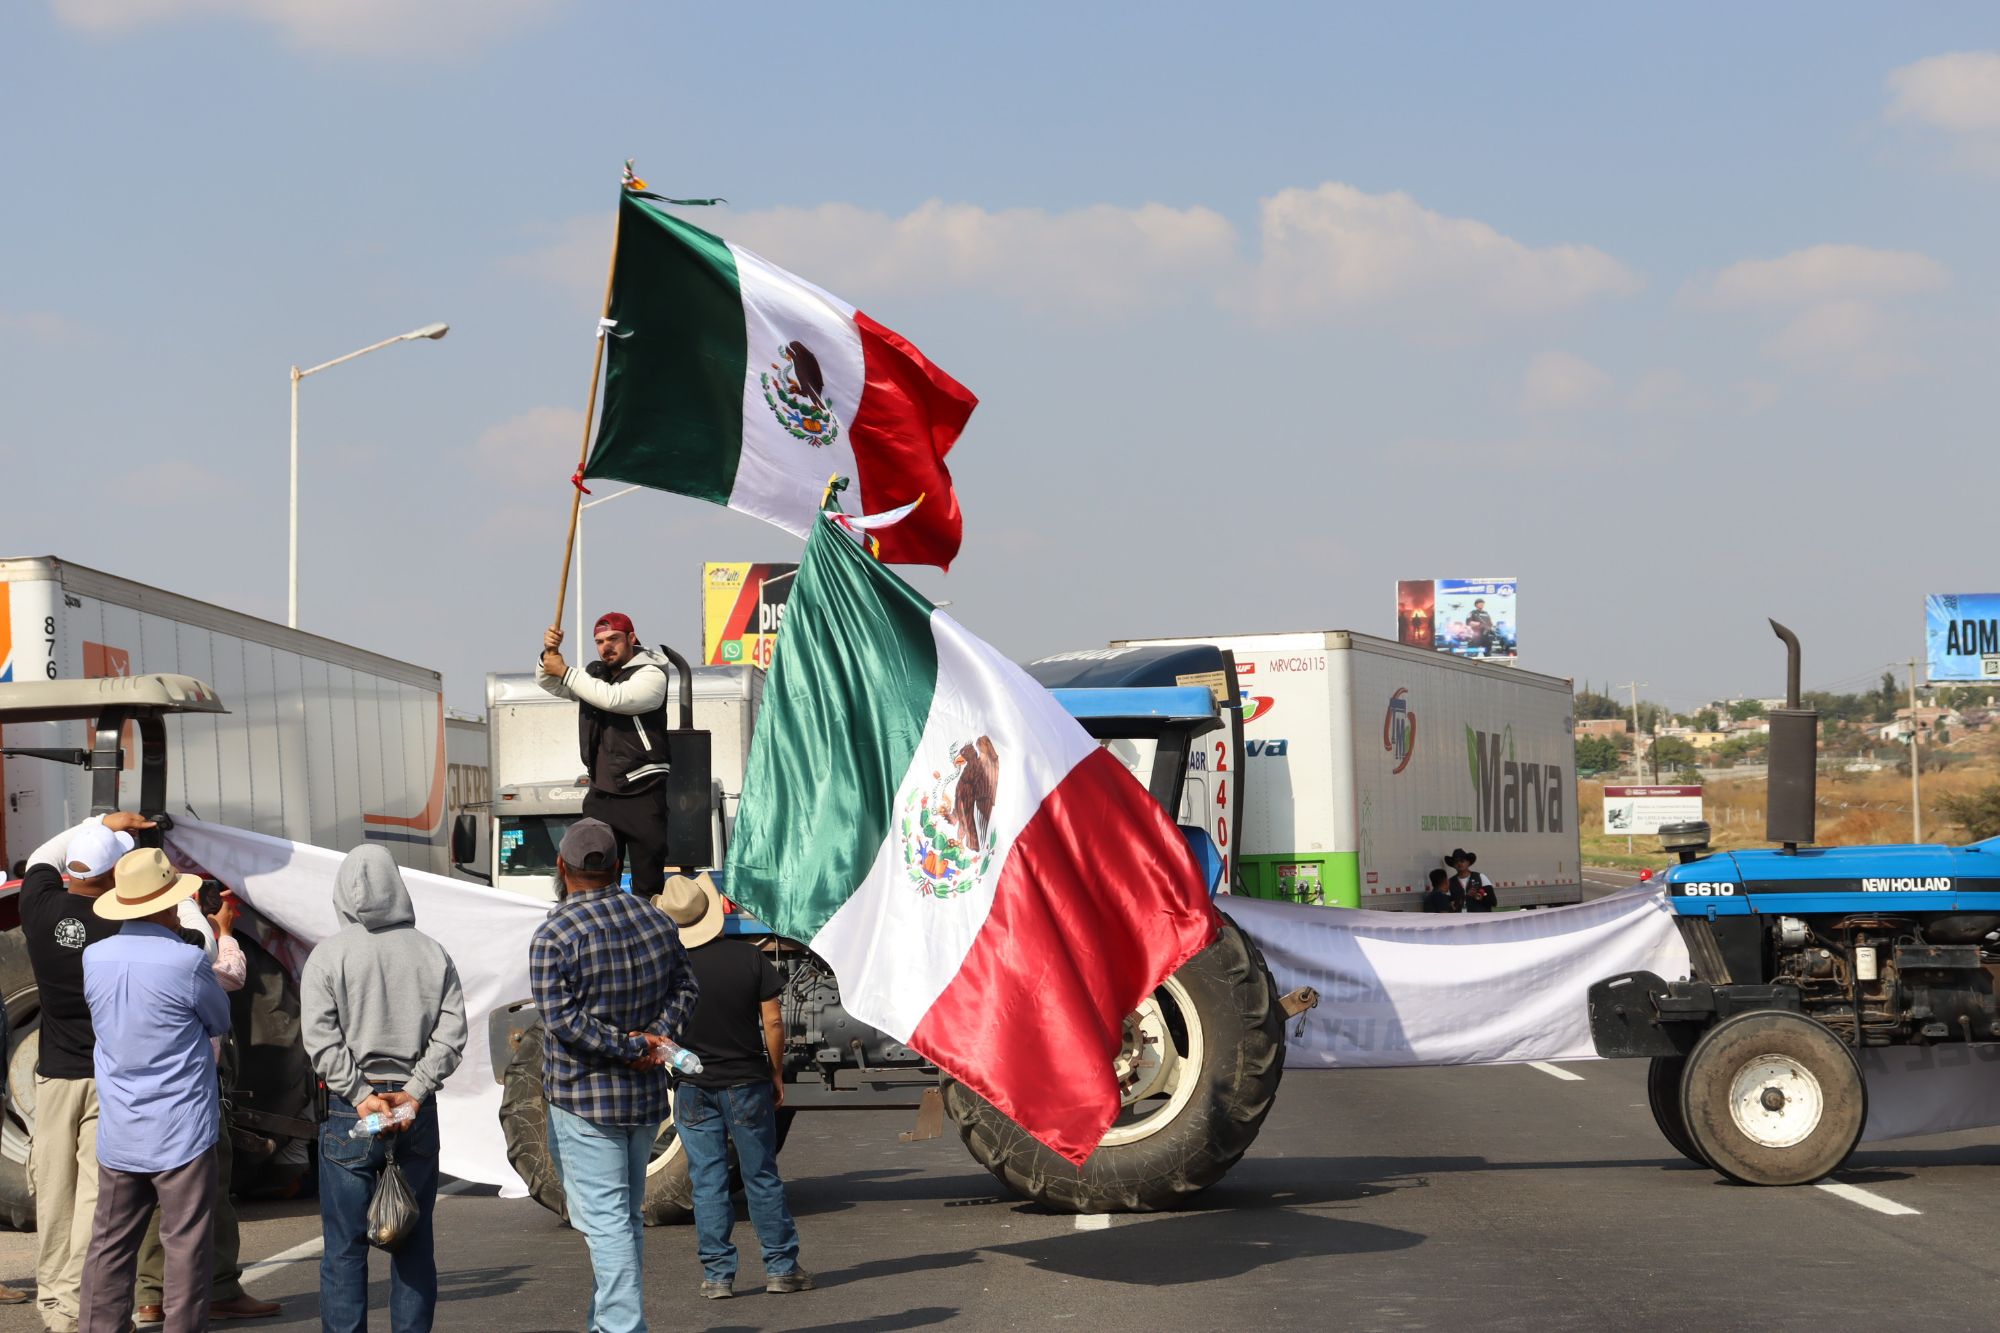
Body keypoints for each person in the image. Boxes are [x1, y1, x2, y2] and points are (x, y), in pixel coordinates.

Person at [531, 819, 699, 1333]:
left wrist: (627, 1046)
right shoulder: (655, 921)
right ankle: (607, 1324)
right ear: (619, 868)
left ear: (562, 868)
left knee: (604, 1222)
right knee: (622, 1221)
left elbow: (561, 1020)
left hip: (585, 1099)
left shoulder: (553, 933)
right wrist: (654, 1040)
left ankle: (624, 1327)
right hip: (644, 1093)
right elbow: (686, 989)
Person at [301, 845, 468, 1333]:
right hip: (412, 1112)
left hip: (353, 1113)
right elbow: (452, 1034)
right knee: (413, 1243)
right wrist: (415, 1092)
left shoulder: (327, 956)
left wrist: (359, 1096)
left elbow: (320, 1039)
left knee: (344, 1249)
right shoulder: (432, 953)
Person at [76, 848, 234, 1333]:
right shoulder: (186, 962)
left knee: (110, 1244)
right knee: (185, 1244)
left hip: (122, 1124)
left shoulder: (94, 956)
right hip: (181, 1126)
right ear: (168, 902)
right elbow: (219, 1020)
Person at [18, 811, 152, 1333]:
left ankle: (51, 1298)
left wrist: (95, 820)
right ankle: (75, 1306)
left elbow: (42, 858)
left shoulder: (37, 904)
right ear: (111, 874)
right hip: (107, 1076)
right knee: (94, 1197)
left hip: (53, 1077)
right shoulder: (120, 924)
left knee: (51, 1191)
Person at [656, 873, 809, 1300]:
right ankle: (781, 1268)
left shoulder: (668, 966)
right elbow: (773, 1021)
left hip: (691, 1086)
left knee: (707, 1181)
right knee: (760, 1175)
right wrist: (775, 1073)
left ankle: (718, 1277)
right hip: (745, 1082)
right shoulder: (749, 959)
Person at [133, 894, 282, 1326]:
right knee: (210, 1191)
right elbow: (227, 981)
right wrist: (226, 932)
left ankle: (149, 1294)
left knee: (150, 1196)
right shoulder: (191, 944)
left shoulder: (113, 954)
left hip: (139, 1094)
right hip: (192, 1091)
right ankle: (218, 1288)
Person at [538, 612, 677, 896]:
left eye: (613, 638)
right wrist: (548, 655)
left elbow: (615, 699)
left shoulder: (651, 674)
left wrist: (565, 671)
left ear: (632, 637)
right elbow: (550, 684)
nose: (606, 647)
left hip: (643, 792)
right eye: (599, 641)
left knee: (648, 886)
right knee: (591, 874)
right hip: (601, 794)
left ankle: (647, 936)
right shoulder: (595, 676)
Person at [1450, 849, 1498, 913]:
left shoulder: (1481, 877)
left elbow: (1493, 902)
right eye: (1456, 862)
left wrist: (1480, 897)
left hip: (1480, 919)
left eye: (1462, 861)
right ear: (1453, 865)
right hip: (1460, 920)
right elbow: (1448, 904)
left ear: (1468, 862)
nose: (1459, 863)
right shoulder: (1450, 882)